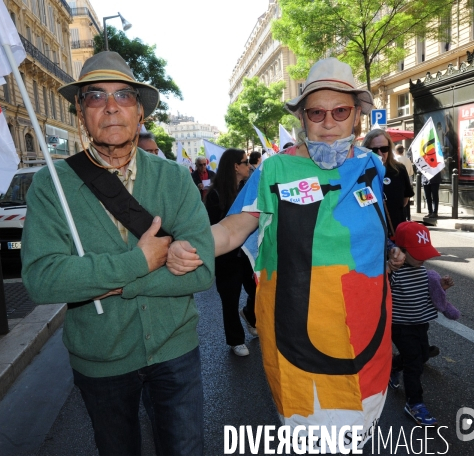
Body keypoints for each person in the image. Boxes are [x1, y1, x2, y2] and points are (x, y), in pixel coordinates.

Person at [167, 58, 406, 452]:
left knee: (357, 435)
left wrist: (391, 251)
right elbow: (232, 230)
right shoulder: (274, 170)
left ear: (357, 118)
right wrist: (189, 244)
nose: (328, 122)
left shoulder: (370, 166)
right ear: (303, 118)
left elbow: (374, 225)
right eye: (316, 112)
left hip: (367, 329)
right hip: (300, 336)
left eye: (340, 111)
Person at [21, 51, 214, 456]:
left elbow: (202, 273)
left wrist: (113, 286)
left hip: (175, 350)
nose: (110, 107)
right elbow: (43, 279)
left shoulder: (175, 178)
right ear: (80, 112)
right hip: (100, 360)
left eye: (124, 96)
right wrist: (139, 262)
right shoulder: (50, 185)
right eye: (95, 97)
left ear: (140, 112)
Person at [387, 222, 454, 426]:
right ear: (400, 251)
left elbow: (431, 295)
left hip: (420, 323)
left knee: (422, 355)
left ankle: (391, 367)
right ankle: (414, 403)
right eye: (418, 253)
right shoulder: (394, 274)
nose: (424, 257)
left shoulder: (424, 273)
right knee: (414, 363)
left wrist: (440, 287)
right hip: (400, 326)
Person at [204, 149, 257, 356]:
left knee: (257, 293)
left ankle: (250, 315)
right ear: (236, 166)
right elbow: (213, 227)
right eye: (245, 162)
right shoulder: (215, 195)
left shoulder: (247, 188)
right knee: (230, 298)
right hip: (226, 258)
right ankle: (236, 340)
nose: (249, 166)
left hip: (248, 255)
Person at [362, 130, 414, 234]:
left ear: (389, 149)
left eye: (384, 149)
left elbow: (404, 201)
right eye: (374, 150)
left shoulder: (399, 170)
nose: (379, 153)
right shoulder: (361, 173)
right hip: (370, 234)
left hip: (396, 232)